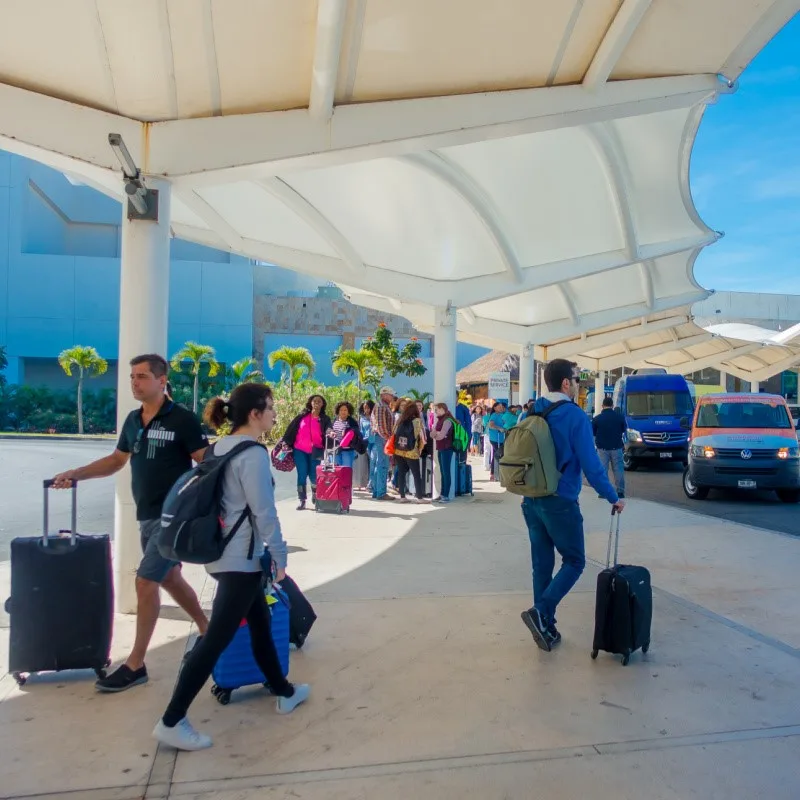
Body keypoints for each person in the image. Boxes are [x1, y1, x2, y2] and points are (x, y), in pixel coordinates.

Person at [152, 383, 310, 751]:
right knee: (215, 640)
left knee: (260, 622)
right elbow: (264, 512)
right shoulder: (253, 454)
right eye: (270, 408)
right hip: (240, 558)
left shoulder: (219, 447)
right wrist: (281, 557)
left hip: (223, 555)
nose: (274, 414)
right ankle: (172, 719)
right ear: (254, 413)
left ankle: (284, 690)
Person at [52, 354, 209, 693]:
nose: (134, 383)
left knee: (145, 581)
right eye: (132, 377)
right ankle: (206, 628)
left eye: (141, 376)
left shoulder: (182, 419)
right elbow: (117, 460)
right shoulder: (133, 420)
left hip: (173, 517)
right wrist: (76, 474)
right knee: (167, 576)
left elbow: (204, 463)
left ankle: (136, 664)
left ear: (161, 381)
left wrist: (198, 505)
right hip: (147, 515)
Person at [520, 359, 625, 652]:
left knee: (542, 564)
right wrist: (613, 496)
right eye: (577, 379)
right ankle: (542, 612)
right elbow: (592, 467)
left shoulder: (532, 409)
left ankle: (546, 626)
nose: (579, 384)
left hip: (531, 499)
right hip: (560, 500)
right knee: (575, 561)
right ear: (566, 383)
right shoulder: (574, 416)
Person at [283, 395, 331, 511]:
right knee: (302, 475)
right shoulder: (302, 416)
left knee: (314, 476)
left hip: (316, 450)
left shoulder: (324, 418)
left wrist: (331, 432)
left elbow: (328, 428)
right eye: (314, 401)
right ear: (310, 403)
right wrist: (286, 442)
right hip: (299, 450)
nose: (316, 403)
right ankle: (302, 500)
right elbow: (291, 428)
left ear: (322, 404)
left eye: (319, 401)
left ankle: (315, 493)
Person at [392, 401, 428, 503]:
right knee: (416, 474)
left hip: (398, 450)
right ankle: (419, 497)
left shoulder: (399, 419)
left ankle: (402, 497)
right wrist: (420, 449)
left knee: (401, 473)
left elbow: (393, 432)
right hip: (411, 451)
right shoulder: (417, 421)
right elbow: (421, 437)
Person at [592, 396, 627, 499]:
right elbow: (623, 429)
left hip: (602, 449)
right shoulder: (620, 417)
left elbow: (593, 433)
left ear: (602, 406)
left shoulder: (597, 419)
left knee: (603, 470)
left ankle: (603, 492)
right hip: (616, 447)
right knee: (618, 469)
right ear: (612, 406)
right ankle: (620, 492)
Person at [370, 387, 395, 501]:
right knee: (382, 464)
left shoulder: (381, 406)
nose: (392, 397)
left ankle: (377, 491)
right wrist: (387, 438)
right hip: (382, 438)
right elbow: (381, 426)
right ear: (384, 395)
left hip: (380, 437)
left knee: (378, 464)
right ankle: (381, 492)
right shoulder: (381, 407)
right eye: (390, 395)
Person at [430, 403, 456, 503]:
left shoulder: (447, 421)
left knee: (446, 472)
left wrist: (437, 434)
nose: (435, 411)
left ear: (442, 409)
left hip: (446, 448)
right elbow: (433, 434)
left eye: (437, 409)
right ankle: (442, 494)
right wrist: (437, 434)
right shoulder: (440, 420)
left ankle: (445, 495)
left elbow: (439, 436)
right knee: (442, 472)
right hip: (441, 448)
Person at [327, 401, 363, 469]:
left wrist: (347, 431)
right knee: (336, 469)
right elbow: (328, 429)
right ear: (338, 411)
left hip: (347, 450)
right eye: (341, 410)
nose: (343, 412)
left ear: (348, 411)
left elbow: (356, 432)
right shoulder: (335, 420)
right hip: (336, 449)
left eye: (345, 410)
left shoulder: (352, 421)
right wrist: (331, 432)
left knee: (346, 469)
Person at [354, 400, 375, 491]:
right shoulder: (362, 418)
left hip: (375, 441)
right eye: (364, 408)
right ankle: (368, 483)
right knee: (368, 464)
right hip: (366, 442)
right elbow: (361, 431)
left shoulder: (375, 417)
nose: (366, 410)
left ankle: (371, 484)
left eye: (368, 407)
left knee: (373, 462)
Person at [487, 402, 508, 481]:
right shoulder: (494, 415)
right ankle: (493, 473)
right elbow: (491, 425)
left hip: (501, 438)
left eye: (501, 407)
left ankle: (497, 473)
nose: (501, 408)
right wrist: (499, 428)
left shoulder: (502, 415)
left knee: (498, 455)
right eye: (499, 407)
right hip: (495, 438)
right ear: (495, 408)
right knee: (498, 454)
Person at [454, 398, 472, 464]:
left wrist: (468, 435)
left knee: (462, 457)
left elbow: (468, 422)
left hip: (462, 435)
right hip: (450, 436)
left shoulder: (463, 408)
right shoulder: (446, 407)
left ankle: (462, 471)